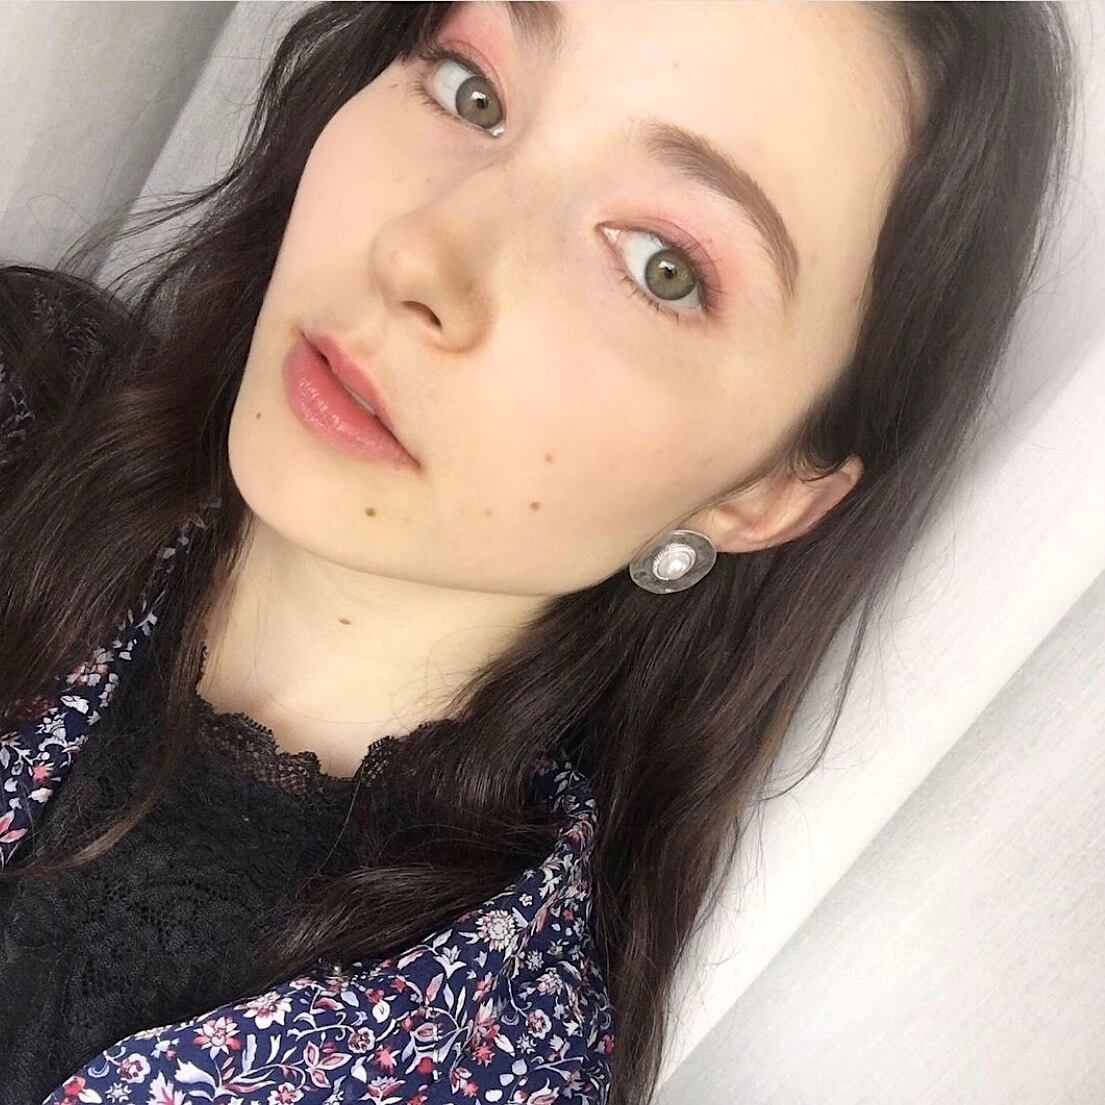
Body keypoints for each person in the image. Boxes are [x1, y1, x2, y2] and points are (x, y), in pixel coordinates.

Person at [0, 2, 1079, 1103]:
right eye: (472, 90)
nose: (420, 251)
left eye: (662, 266)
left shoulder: (495, 1065)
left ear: (763, 493)